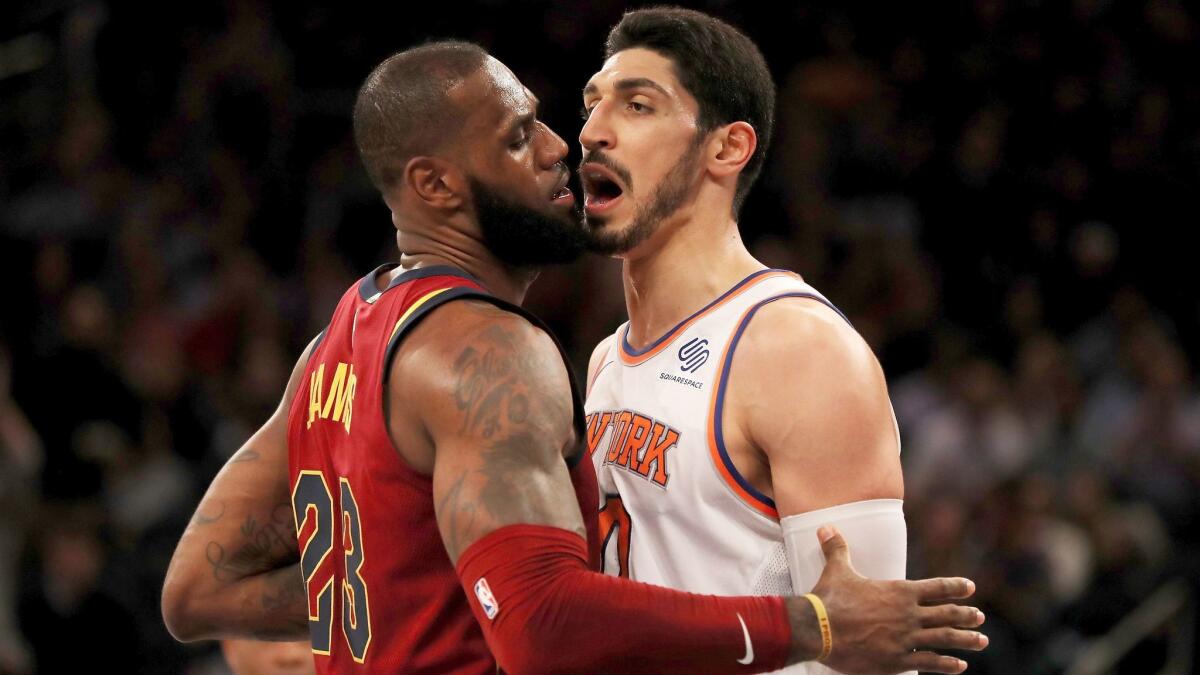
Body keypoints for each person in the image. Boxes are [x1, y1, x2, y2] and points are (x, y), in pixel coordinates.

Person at [162, 41, 986, 674]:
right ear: (436, 185)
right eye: (521, 136)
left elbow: (198, 590)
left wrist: (401, 595)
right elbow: (541, 624)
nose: (565, 145)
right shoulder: (490, 351)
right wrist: (817, 622)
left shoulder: (338, 338)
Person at [577, 8, 969, 674]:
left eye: (637, 106)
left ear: (726, 149)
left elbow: (872, 653)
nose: (591, 132)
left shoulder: (797, 349)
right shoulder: (606, 359)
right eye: (591, 104)